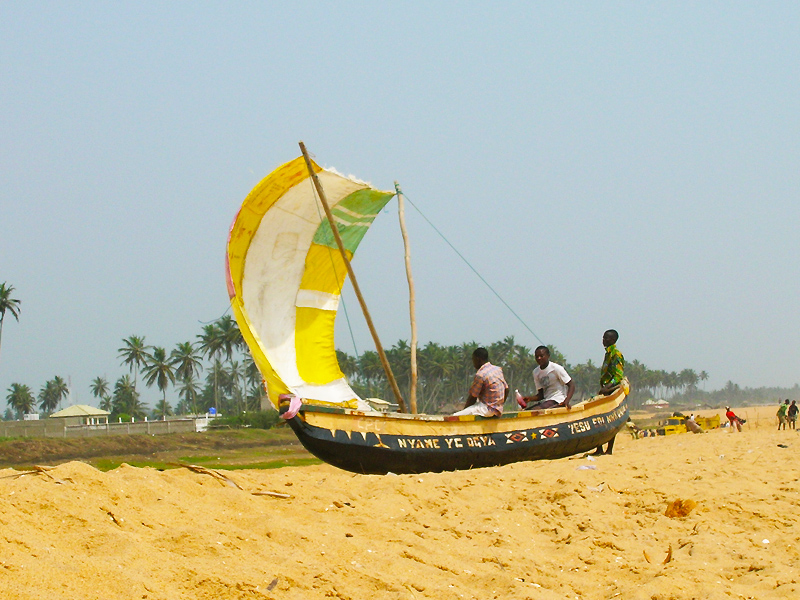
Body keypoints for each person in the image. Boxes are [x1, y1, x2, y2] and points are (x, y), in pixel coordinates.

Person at [592, 329, 625, 455]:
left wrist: (607, 387)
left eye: (606, 338)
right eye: (603, 338)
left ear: (612, 340)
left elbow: (618, 375)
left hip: (612, 390)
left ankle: (609, 449)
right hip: (605, 389)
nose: (603, 340)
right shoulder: (608, 353)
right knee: (600, 420)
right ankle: (599, 448)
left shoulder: (616, 354)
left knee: (611, 420)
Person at [453, 347, 509, 417]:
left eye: (473, 360)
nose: (473, 363)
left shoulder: (481, 374)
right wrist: (500, 405)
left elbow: (472, 397)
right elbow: (506, 389)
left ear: (478, 359)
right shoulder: (498, 370)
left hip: (486, 409)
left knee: (455, 416)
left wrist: (465, 412)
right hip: (498, 410)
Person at [516, 346, 575, 410]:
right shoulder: (536, 372)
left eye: (541, 356)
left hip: (557, 400)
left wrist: (566, 401)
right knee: (526, 412)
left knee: (536, 410)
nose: (539, 358)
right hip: (546, 401)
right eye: (537, 357)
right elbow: (541, 395)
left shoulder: (556, 368)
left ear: (548, 356)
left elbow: (571, 385)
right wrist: (530, 399)